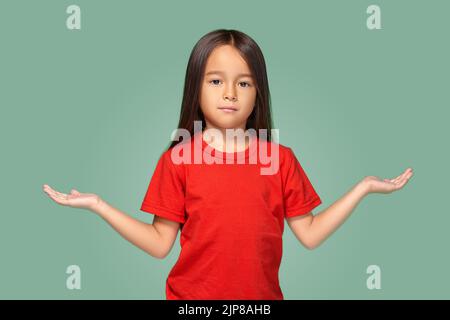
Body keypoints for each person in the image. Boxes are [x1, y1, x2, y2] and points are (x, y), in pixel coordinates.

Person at [42, 29, 414, 300]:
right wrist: (98, 205)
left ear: (258, 92)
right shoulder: (179, 159)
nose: (230, 93)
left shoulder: (277, 159)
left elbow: (311, 234)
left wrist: (363, 188)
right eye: (216, 80)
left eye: (245, 83)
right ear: (196, 87)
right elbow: (159, 244)